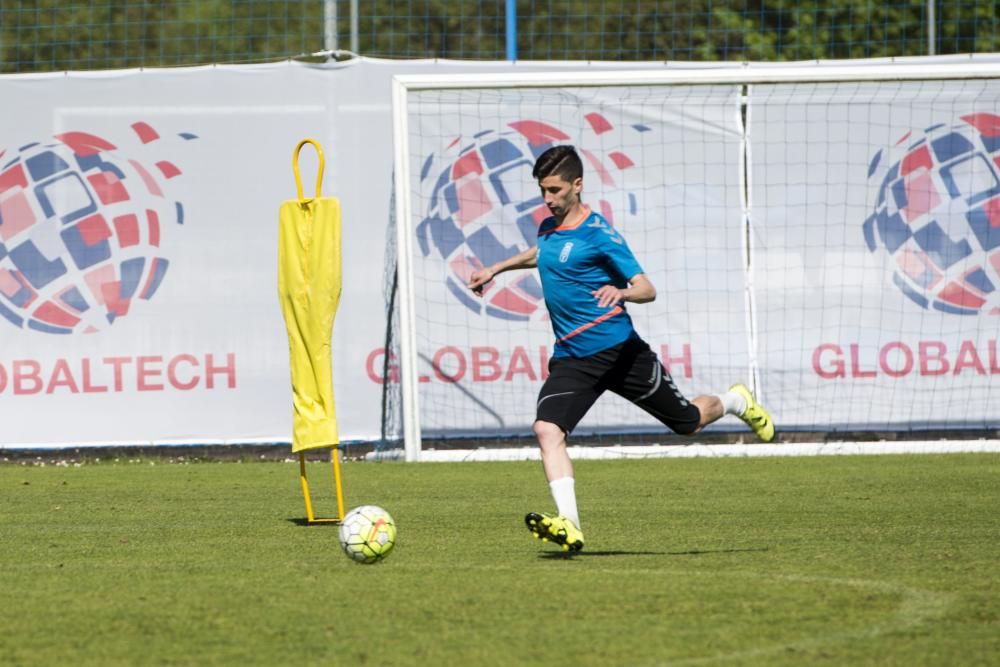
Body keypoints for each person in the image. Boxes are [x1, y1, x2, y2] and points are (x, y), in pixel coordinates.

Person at [467, 144, 774, 553]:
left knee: (686, 422)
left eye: (555, 190)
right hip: (573, 357)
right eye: (542, 190)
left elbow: (648, 288)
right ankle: (570, 525)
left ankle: (735, 400)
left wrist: (623, 292)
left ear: (578, 185)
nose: (547, 199)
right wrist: (496, 269)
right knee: (546, 429)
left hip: (620, 352)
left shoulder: (600, 235)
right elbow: (543, 253)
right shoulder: (547, 227)